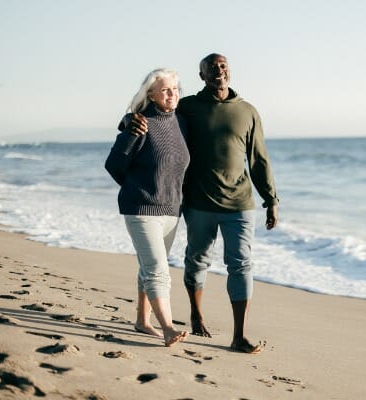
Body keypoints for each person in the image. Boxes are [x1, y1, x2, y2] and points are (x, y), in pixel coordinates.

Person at [131, 53, 278, 354]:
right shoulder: (188, 108)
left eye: (223, 66)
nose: (218, 71)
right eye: (211, 68)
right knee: (197, 261)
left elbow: (259, 160)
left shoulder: (247, 111)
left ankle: (239, 335)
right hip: (199, 203)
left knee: (241, 265)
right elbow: (154, 112)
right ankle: (196, 314)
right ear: (202, 76)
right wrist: (128, 119)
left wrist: (271, 199)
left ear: (229, 72)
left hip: (240, 204)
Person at [105, 68, 190, 347]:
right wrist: (137, 189)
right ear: (151, 94)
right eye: (165, 90)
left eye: (175, 89)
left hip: (171, 211)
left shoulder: (181, 123)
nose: (171, 94)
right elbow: (114, 164)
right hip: (142, 209)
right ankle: (167, 327)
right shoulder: (139, 123)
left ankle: (143, 321)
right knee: (157, 270)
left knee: (150, 266)